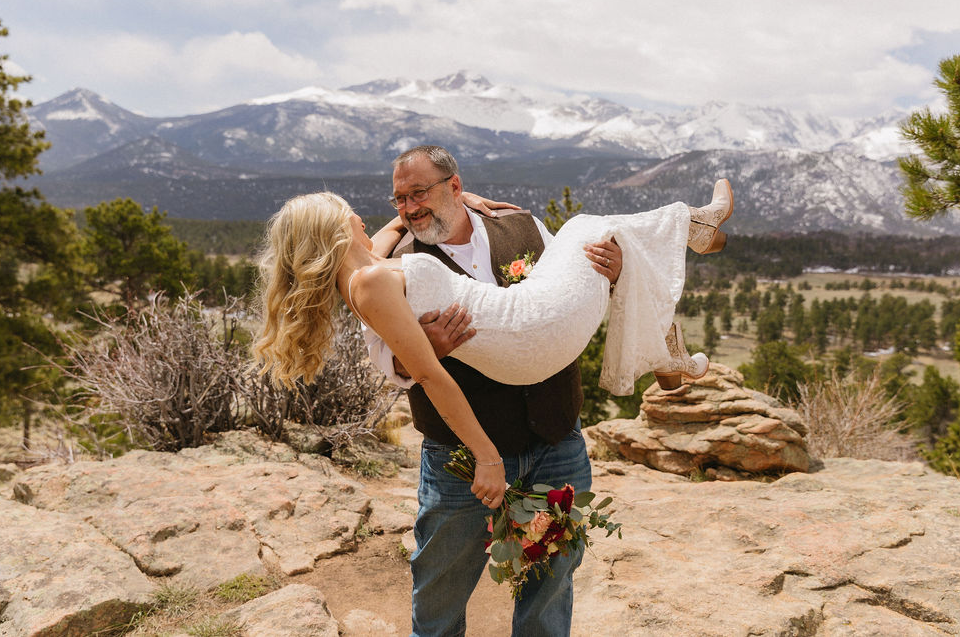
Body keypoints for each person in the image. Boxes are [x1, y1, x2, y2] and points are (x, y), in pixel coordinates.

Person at [253, 146, 732, 636]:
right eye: (398, 199)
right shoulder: (383, 270)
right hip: (464, 453)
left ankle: (669, 326)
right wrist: (431, 355)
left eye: (418, 194)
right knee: (440, 586)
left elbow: (563, 288)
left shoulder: (510, 228)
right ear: (338, 230)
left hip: (552, 435)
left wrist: (610, 273)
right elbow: (403, 368)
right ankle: (689, 236)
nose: (406, 208)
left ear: (455, 187)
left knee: (550, 581)